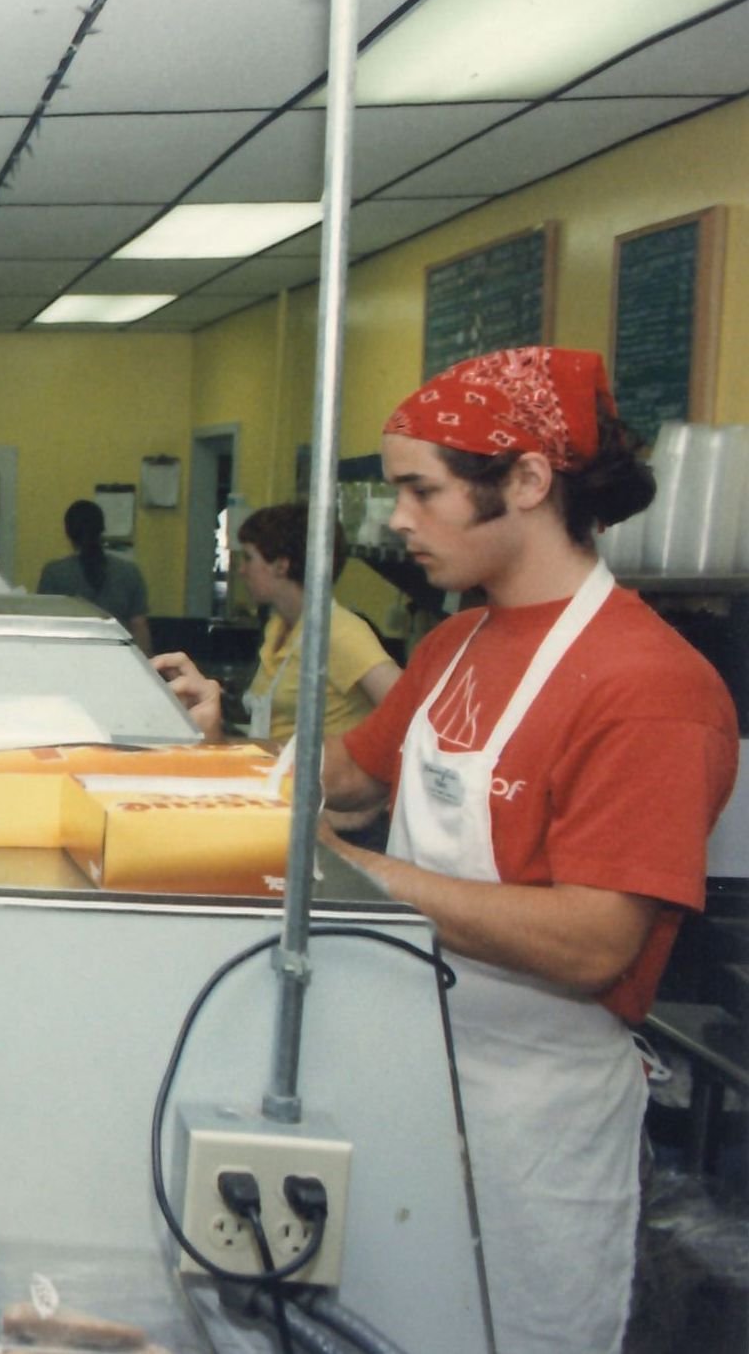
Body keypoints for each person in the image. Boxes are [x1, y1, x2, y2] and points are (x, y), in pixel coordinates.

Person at [171, 349, 734, 1354]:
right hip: (404, 1068)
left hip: (533, 1120)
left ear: (525, 481)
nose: (396, 521)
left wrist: (365, 876)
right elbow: (338, 775)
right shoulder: (455, 645)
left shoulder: (652, 686)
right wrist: (214, 754)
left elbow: (596, 942)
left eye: (421, 491)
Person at [232, 502, 400, 745]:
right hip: (280, 775)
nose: (242, 570)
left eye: (248, 558)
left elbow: (407, 710)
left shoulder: (339, 632)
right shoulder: (278, 626)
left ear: (281, 565)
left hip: (325, 781)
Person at [36, 499, 152, 653]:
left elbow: (45, 625)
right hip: (120, 658)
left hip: (69, 655)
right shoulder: (129, 572)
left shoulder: (54, 573)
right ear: (102, 529)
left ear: (68, 532)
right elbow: (139, 627)